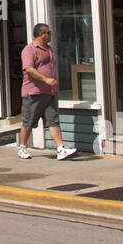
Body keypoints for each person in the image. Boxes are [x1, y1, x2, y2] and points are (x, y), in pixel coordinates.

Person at [18, 23, 76, 161]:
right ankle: (22, 147)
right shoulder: (29, 50)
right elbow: (29, 70)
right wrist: (46, 80)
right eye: (48, 32)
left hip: (50, 92)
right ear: (41, 34)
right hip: (34, 92)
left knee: (53, 120)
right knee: (28, 121)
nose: (50, 35)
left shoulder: (49, 49)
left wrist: (52, 83)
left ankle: (60, 149)